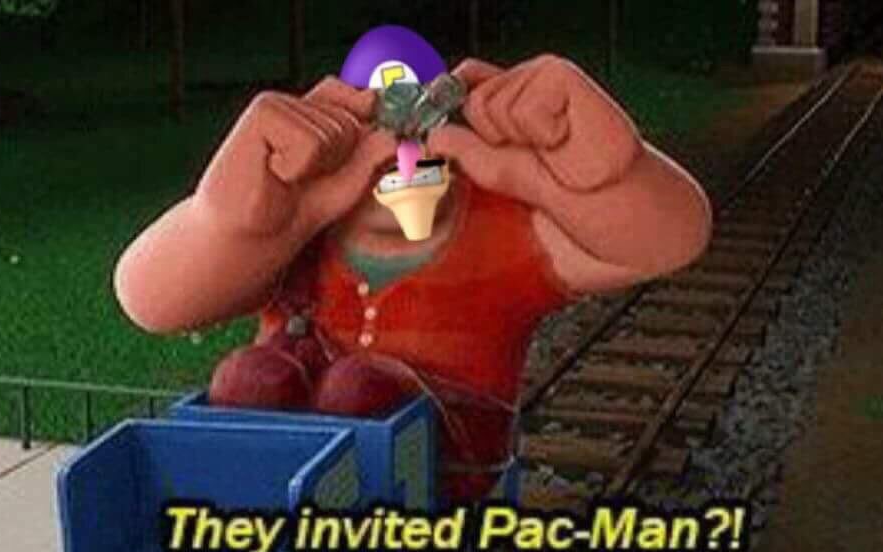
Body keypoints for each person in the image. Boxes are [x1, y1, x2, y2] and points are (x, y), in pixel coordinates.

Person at [113, 26, 712, 504]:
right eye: (377, 127)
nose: (399, 154)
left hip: (434, 486)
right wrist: (230, 222)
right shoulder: (296, 225)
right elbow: (151, 301)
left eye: (420, 126)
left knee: (357, 392)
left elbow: (665, 242)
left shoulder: (501, 225)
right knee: (248, 379)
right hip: (273, 488)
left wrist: (587, 173)